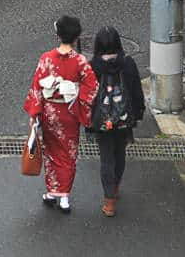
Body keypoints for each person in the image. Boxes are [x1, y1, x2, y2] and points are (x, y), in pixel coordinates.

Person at [23, 15, 97, 214]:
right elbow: (92, 86)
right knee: (69, 153)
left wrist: (35, 112)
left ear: (58, 35)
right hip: (70, 111)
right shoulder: (80, 61)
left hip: (50, 111)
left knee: (52, 151)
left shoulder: (46, 58)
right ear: (76, 37)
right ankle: (64, 196)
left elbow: (37, 86)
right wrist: (76, 98)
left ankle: (52, 191)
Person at [86, 26, 145, 217]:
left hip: (102, 121)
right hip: (124, 118)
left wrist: (87, 121)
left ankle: (109, 201)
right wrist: (138, 113)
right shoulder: (127, 63)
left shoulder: (93, 65)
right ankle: (116, 186)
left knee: (106, 159)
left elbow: (87, 96)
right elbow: (136, 92)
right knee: (120, 153)